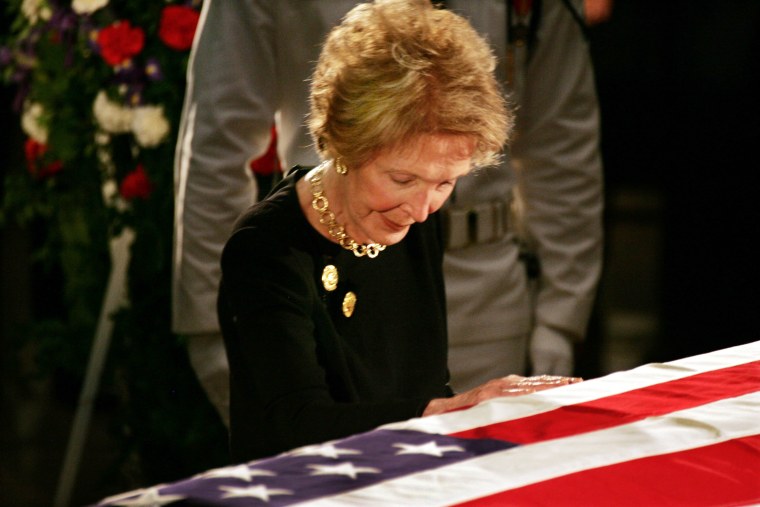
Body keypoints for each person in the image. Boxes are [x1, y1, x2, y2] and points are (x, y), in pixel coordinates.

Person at [173, 0, 602, 424]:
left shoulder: (419, 225)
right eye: (401, 179)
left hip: (490, 284)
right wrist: (211, 333)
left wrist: (560, 320)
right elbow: (216, 147)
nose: (419, 209)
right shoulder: (270, 249)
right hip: (305, 276)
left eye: (445, 184)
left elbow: (563, 152)